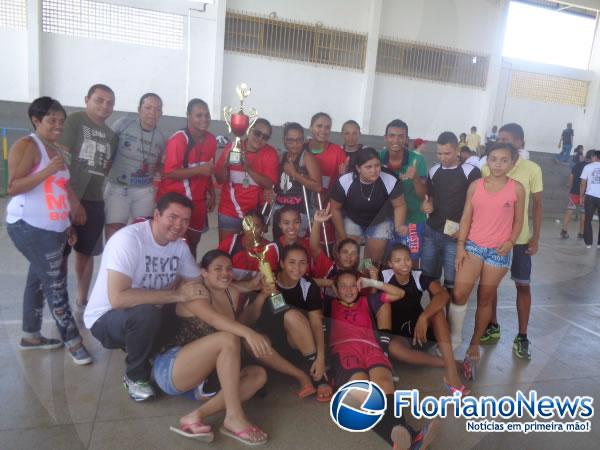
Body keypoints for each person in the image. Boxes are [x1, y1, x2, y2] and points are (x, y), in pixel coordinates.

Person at [84, 193, 206, 401]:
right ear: (156, 215)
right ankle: (135, 376)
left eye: (185, 221)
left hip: (148, 312)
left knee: (191, 304)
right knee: (146, 314)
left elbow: (197, 283)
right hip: (106, 319)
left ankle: (167, 356)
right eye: (173, 217)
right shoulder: (129, 240)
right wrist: (177, 294)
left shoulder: (179, 245)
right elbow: (118, 299)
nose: (179, 225)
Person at [6, 96, 92, 364]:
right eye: (51, 120)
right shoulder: (27, 145)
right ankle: (74, 342)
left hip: (54, 227)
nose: (57, 125)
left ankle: (31, 335)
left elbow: (60, 190)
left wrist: (66, 224)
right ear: (36, 120)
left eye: (61, 120)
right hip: (28, 226)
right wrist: (47, 171)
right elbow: (14, 186)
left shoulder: (55, 149)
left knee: (38, 277)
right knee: (55, 283)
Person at [152, 250, 269, 444]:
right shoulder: (195, 291)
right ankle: (234, 417)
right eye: (218, 269)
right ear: (204, 272)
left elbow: (240, 322)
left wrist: (261, 296)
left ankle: (195, 416)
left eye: (229, 269)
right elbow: (215, 320)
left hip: (203, 380)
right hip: (171, 368)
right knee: (227, 339)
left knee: (258, 375)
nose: (225, 273)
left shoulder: (230, 292)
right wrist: (249, 333)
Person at [325, 270, 440, 449]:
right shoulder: (329, 304)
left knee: (385, 385)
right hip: (344, 352)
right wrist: (328, 285)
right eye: (343, 286)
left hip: (371, 348)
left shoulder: (367, 300)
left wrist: (372, 282)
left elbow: (399, 293)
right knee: (369, 395)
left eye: (353, 285)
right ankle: (409, 437)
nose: (348, 290)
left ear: (359, 285)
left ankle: (401, 440)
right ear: (336, 289)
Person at [448, 142, 525, 369]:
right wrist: (461, 246)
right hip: (473, 246)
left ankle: (474, 342)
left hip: (498, 253)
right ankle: (455, 337)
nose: (498, 164)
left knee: (484, 298)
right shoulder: (476, 186)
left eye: (504, 160)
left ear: (513, 162)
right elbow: (466, 217)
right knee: (460, 293)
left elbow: (520, 220)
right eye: (493, 159)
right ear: (487, 160)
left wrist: (511, 241)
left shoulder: (517, 188)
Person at [479, 123, 543, 359]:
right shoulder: (490, 168)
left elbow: (537, 206)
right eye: (500, 138)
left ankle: (522, 336)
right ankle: (493, 326)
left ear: (520, 143)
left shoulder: (532, 169)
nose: (502, 143)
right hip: (494, 240)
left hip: (520, 241)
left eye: (508, 139)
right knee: (490, 285)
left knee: (522, 285)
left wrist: (535, 238)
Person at [247, 244, 331, 402]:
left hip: (298, 345)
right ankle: (301, 376)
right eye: (291, 262)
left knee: (292, 315)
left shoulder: (308, 286)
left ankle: (318, 375)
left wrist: (320, 358)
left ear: (307, 265)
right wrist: (262, 295)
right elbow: (249, 319)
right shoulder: (266, 280)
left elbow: (315, 323)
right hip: (271, 348)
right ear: (282, 264)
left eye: (302, 263)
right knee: (248, 342)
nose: (297, 268)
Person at [59, 83, 117, 307]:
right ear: (87, 99)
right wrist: (72, 200)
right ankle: (60, 299)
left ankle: (81, 299)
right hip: (66, 197)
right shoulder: (74, 121)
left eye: (110, 102)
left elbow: (106, 168)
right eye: (99, 100)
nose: (105, 106)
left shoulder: (112, 136)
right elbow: (61, 162)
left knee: (86, 252)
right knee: (61, 252)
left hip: (94, 200)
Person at [381, 245, 467, 394]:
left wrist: (424, 317)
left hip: (421, 332)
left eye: (407, 259)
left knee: (437, 312)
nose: (404, 263)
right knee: (393, 348)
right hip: (399, 337)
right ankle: (451, 364)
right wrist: (369, 269)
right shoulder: (384, 275)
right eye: (398, 260)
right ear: (390, 264)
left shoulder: (418, 275)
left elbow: (443, 295)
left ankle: (452, 374)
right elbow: (366, 268)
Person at [421, 132, 481, 293]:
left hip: (455, 237)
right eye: (439, 153)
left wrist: (464, 229)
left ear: (457, 151)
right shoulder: (433, 170)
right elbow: (430, 196)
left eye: (447, 153)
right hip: (431, 232)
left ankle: (449, 318)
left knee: (452, 283)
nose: (443, 158)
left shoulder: (470, 171)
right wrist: (428, 204)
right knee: (429, 280)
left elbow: (478, 205)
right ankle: (436, 317)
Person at [157, 99, 217, 258]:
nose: (204, 119)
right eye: (199, 115)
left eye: (207, 115)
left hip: (198, 201)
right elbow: (169, 172)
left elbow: (208, 169)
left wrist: (211, 192)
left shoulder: (211, 140)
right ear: (188, 116)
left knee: (193, 242)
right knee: (169, 241)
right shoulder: (179, 139)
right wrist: (200, 170)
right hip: (175, 201)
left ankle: (188, 279)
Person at [330, 147, 407, 266]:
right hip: (353, 218)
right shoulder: (345, 181)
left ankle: (365, 277)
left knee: (371, 260)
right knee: (348, 255)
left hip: (380, 220)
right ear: (358, 168)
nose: (374, 170)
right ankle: (350, 278)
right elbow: (335, 208)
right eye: (368, 167)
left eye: (377, 166)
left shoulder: (390, 179)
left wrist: (398, 226)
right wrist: (341, 236)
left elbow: (400, 205)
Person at [104, 93, 167, 240]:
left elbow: (159, 164)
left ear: (162, 114)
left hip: (144, 191)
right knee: (114, 231)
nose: (152, 112)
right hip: (118, 188)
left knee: (143, 231)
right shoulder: (123, 124)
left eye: (157, 109)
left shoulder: (161, 137)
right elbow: (108, 151)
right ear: (139, 109)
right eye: (148, 108)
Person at [215, 118, 279, 241]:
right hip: (229, 210)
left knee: (251, 253)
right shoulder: (233, 148)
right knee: (227, 250)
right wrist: (225, 164)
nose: (260, 139)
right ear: (249, 130)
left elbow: (269, 184)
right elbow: (219, 179)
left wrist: (248, 169)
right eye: (257, 133)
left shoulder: (270, 153)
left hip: (256, 213)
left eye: (265, 137)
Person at [379, 119, 427, 265]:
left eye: (401, 136)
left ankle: (410, 288)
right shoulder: (378, 157)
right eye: (392, 135)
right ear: (385, 138)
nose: (396, 140)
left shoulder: (418, 161)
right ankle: (373, 285)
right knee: (379, 259)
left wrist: (416, 179)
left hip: (413, 221)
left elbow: (424, 195)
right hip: (384, 220)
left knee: (410, 262)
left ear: (407, 139)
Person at [272, 122, 321, 240]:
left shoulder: (307, 158)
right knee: (279, 242)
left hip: (300, 211)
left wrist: (294, 174)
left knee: (294, 245)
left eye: (298, 140)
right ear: (284, 140)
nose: (294, 144)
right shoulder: (281, 157)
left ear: (303, 140)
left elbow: (318, 187)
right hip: (280, 209)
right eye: (290, 140)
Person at [217, 211, 279, 281]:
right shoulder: (231, 242)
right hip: (231, 286)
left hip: (258, 289)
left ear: (264, 228)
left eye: (257, 226)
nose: (252, 231)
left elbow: (269, 280)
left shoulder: (270, 249)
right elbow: (215, 264)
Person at [560, 149, 592, 239]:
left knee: (569, 210)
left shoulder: (578, 165)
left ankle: (564, 230)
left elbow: (571, 176)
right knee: (583, 213)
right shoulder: (591, 167)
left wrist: (571, 188)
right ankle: (581, 233)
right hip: (586, 194)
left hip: (574, 193)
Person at [580, 150, 600, 248]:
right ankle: (599, 244)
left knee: (588, 220)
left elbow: (583, 183)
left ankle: (588, 243)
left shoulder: (588, 167)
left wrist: (581, 196)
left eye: (592, 156)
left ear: (595, 157)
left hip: (590, 197)